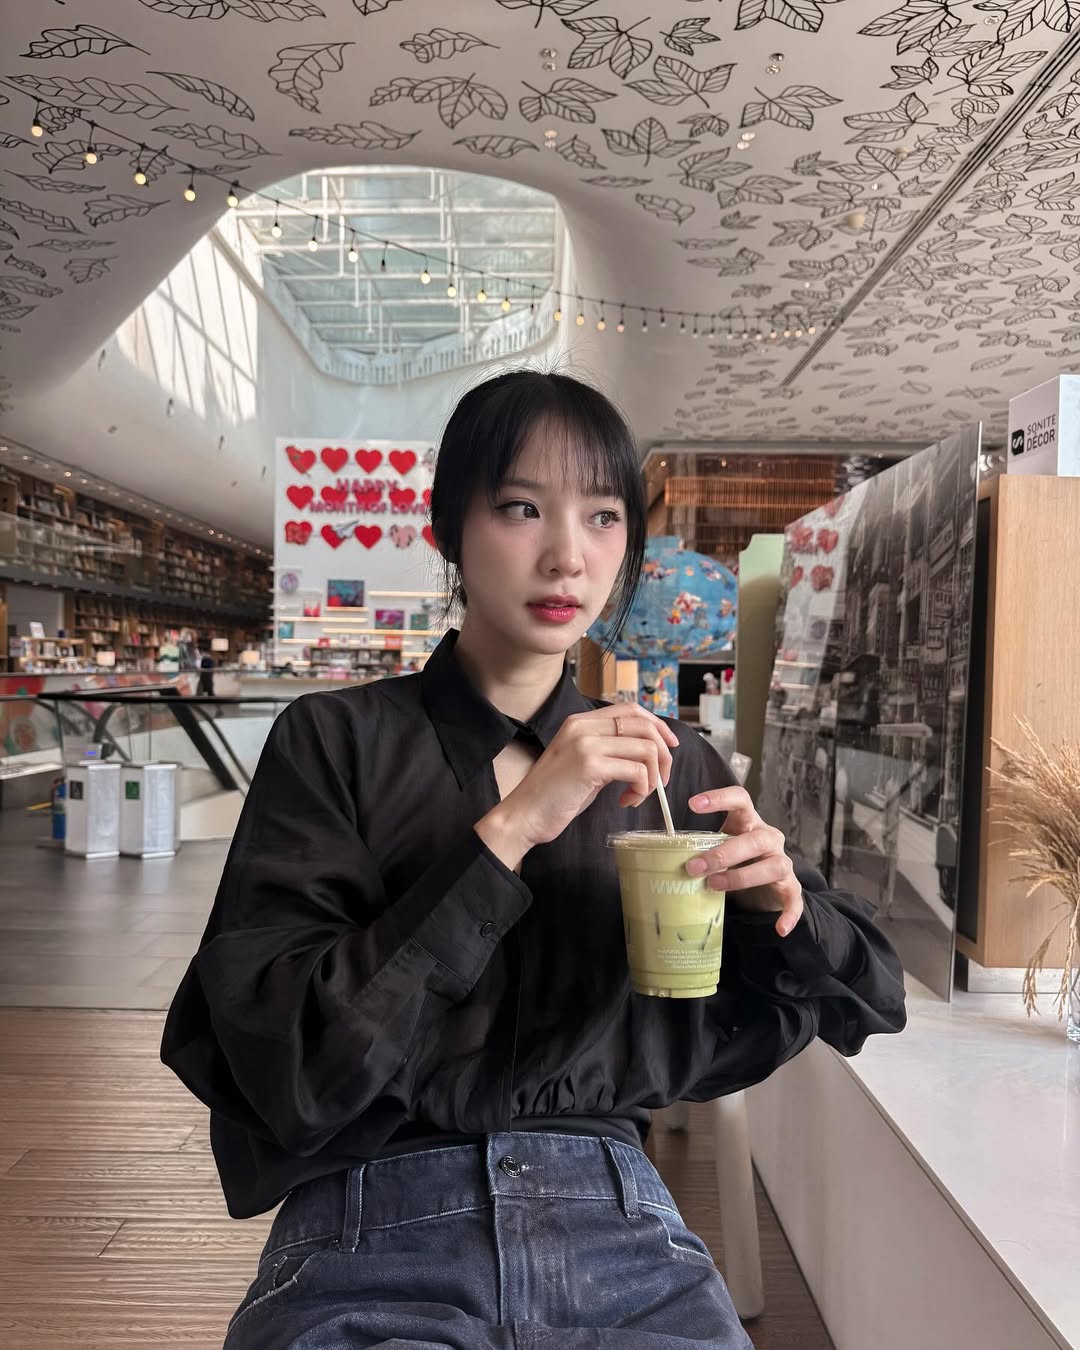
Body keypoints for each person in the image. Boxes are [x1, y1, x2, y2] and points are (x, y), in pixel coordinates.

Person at [161, 370, 907, 1349]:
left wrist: (781, 907)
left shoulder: (668, 763)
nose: (567, 555)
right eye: (521, 508)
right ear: (447, 528)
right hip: (367, 1225)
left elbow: (870, 997)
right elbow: (289, 1063)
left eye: (603, 517)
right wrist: (512, 827)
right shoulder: (332, 741)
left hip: (616, 1224)